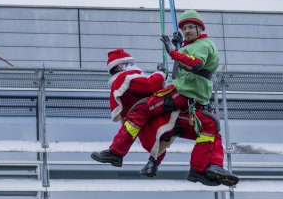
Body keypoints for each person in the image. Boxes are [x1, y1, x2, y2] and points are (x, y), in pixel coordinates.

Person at [99, 10, 238, 186]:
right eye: (184, 28)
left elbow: (194, 64)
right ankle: (201, 169)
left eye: (190, 27)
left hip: (181, 93)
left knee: (140, 111)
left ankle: (116, 152)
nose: (186, 31)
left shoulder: (203, 45)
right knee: (210, 126)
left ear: (199, 29)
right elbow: (186, 64)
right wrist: (179, 49)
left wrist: (173, 52)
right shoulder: (194, 46)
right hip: (192, 99)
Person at [90, 49, 168, 171]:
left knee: (150, 141)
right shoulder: (126, 78)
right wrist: (161, 74)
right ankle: (152, 163)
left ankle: (120, 154)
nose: (135, 67)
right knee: (152, 142)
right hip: (147, 110)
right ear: (121, 65)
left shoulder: (122, 80)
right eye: (131, 64)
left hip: (142, 115)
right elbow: (149, 85)